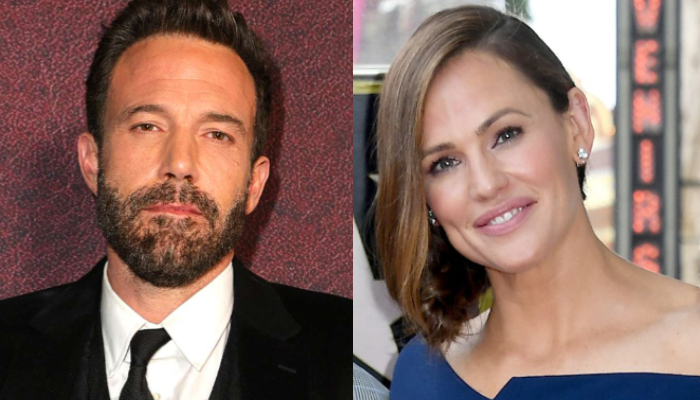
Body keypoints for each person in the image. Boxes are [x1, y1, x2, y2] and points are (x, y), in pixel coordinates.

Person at [0, 0, 350, 399]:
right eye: (148, 126)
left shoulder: (341, 356)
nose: (180, 164)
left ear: (255, 183)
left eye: (217, 134)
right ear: (93, 162)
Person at [375, 5, 700, 399]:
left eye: (506, 135)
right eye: (444, 163)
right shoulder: (422, 376)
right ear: (424, 198)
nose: (486, 184)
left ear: (576, 124)